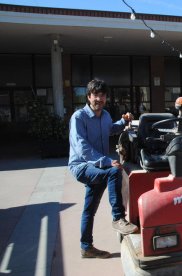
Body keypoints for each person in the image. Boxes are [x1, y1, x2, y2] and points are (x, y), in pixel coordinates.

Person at [68, 79, 138, 259]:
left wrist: (123, 121)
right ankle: (118, 218)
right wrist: (106, 161)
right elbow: (82, 147)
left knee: (89, 209)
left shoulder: (105, 115)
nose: (99, 99)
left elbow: (111, 129)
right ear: (89, 96)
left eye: (102, 95)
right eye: (95, 95)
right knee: (114, 171)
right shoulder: (79, 117)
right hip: (82, 166)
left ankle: (86, 247)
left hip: (98, 168)